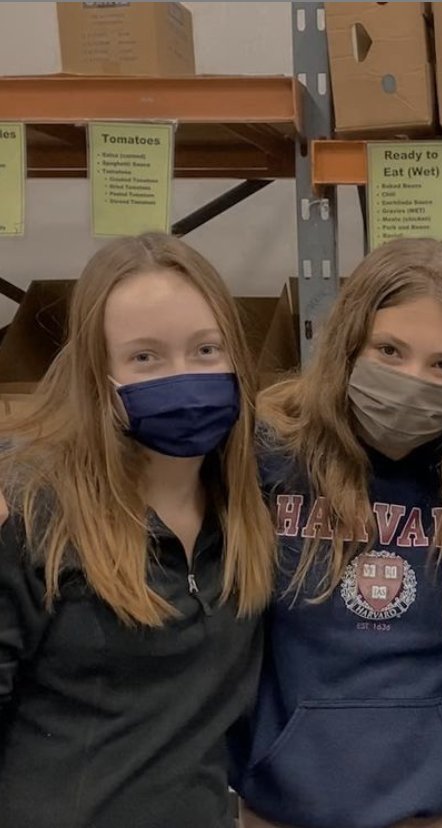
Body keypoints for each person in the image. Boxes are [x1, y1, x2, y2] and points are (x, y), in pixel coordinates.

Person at [0, 233, 275, 828]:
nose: (183, 376)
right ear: (99, 376)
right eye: (144, 357)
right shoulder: (32, 515)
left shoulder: (252, 504)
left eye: (206, 350)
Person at [232, 237, 442, 828]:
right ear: (348, 342)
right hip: (285, 809)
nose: (414, 381)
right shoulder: (264, 455)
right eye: (389, 350)